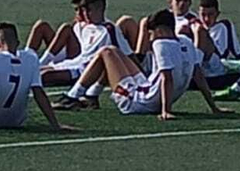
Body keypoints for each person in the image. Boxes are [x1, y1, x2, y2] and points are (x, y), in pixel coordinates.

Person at [94, 10, 231, 120]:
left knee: (107, 52)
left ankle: (78, 95)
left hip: (136, 103)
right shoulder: (186, 42)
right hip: (146, 92)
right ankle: (89, 96)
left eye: (151, 32)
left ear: (159, 30)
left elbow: (167, 78)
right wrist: (214, 107)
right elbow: (199, 76)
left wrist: (166, 111)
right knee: (115, 54)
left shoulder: (160, 44)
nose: (149, 36)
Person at [32, 0, 133, 107]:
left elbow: (127, 54)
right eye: (83, 11)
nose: (85, 14)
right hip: (74, 63)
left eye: (88, 11)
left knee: (44, 76)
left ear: (100, 10)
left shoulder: (110, 29)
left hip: (85, 70)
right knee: (37, 71)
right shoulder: (81, 26)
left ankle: (82, 96)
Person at [194, 0, 240, 77]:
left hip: (217, 64)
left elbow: (235, 52)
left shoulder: (223, 26)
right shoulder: (193, 26)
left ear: (217, 14)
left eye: (210, 14)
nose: (206, 19)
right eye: (203, 15)